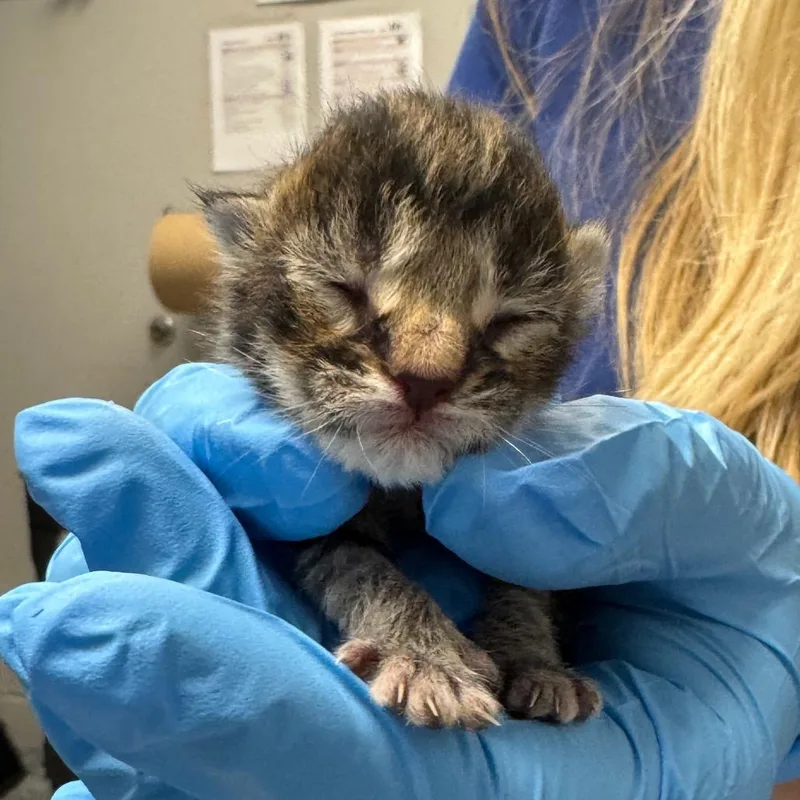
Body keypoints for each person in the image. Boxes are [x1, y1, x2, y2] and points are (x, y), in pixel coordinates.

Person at [1, 1, 799, 798]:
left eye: (512, 322)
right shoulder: (543, 17)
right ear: (247, 272)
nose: (427, 365)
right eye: (345, 295)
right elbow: (321, 543)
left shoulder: (537, 475)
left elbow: (536, 565)